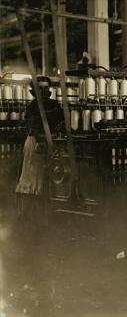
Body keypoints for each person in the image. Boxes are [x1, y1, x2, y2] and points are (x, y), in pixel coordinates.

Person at [16, 76, 64, 227]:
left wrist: (58, 131)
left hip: (52, 143)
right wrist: (42, 135)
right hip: (36, 143)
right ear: (34, 91)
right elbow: (31, 127)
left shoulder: (55, 105)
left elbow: (61, 121)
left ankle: (50, 213)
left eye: (45, 88)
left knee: (51, 177)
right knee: (33, 177)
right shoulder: (31, 108)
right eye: (40, 88)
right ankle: (30, 216)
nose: (43, 91)